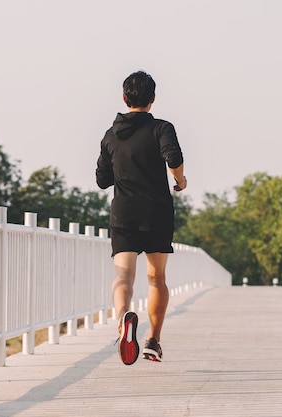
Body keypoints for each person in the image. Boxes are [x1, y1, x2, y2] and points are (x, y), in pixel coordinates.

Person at [95, 70, 186, 365]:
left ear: (124, 98)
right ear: (153, 99)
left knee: (123, 276)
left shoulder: (111, 135)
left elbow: (102, 180)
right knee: (156, 278)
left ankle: (124, 320)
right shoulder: (161, 128)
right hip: (157, 212)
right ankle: (153, 341)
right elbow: (173, 158)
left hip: (124, 213)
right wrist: (180, 180)